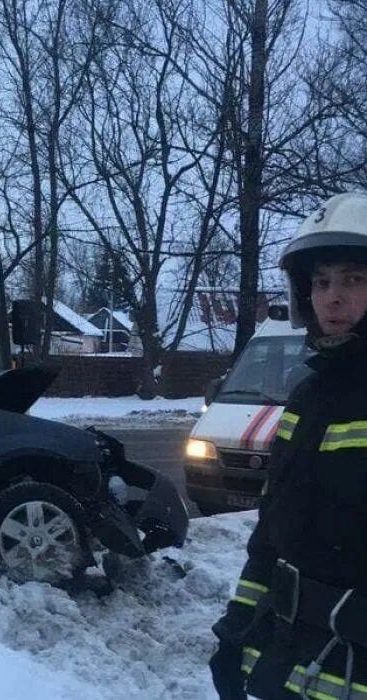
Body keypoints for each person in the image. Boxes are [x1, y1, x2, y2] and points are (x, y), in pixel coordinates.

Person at [211, 191, 367, 699]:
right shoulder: (307, 395)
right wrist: (237, 626)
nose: (332, 297)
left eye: (353, 279)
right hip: (292, 657)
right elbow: (273, 526)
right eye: (321, 282)